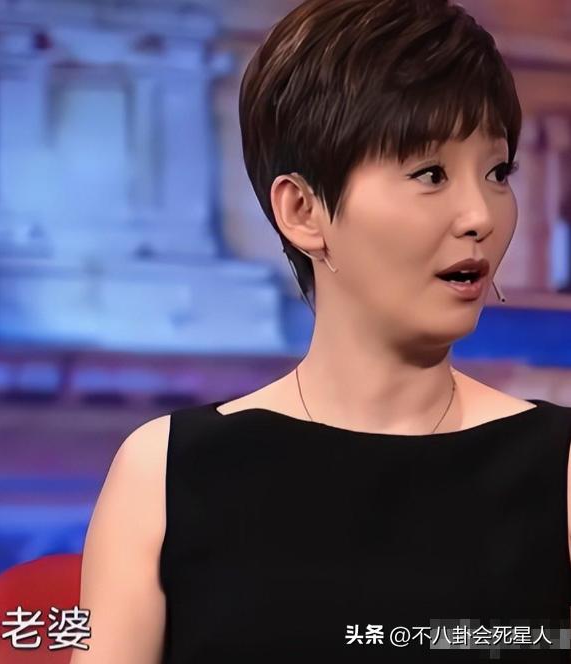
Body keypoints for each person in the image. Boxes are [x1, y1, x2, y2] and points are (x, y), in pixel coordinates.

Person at [70, 0, 571, 661]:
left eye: (497, 173)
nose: (480, 215)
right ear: (303, 210)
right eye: (430, 174)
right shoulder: (162, 473)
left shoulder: (559, 467)